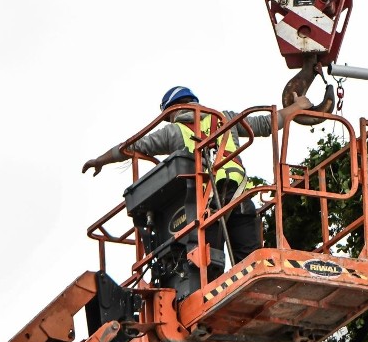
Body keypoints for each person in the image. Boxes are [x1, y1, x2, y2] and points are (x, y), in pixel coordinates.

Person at [82, 85, 313, 265]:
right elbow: (268, 122)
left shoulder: (173, 131)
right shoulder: (224, 118)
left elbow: (133, 146)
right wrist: (297, 106)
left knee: (207, 264)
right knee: (249, 260)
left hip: (207, 204)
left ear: (170, 112)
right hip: (241, 197)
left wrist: (102, 159)